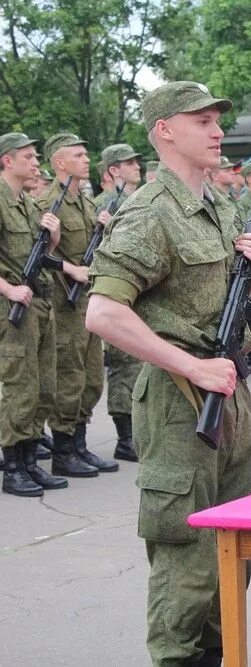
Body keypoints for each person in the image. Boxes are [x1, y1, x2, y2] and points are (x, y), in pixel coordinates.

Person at [85, 80, 251, 666]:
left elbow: (223, 299)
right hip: (178, 400)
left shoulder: (220, 203)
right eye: (201, 120)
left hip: (228, 392)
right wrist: (190, 363)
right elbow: (103, 312)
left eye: (218, 118)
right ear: (164, 130)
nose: (218, 130)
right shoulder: (149, 212)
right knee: (187, 554)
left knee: (234, 549)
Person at [37, 133, 117, 476]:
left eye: (86, 154)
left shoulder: (83, 202)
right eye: (78, 155)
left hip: (87, 300)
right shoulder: (48, 201)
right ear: (59, 163)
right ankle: (64, 449)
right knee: (69, 376)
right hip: (63, 302)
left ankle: (80, 445)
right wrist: (70, 268)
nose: (86, 159)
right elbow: (38, 254)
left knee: (91, 377)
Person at [0, 132, 72, 496]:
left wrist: (54, 237)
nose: (35, 163)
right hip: (12, 306)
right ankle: (12, 467)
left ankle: (30, 462)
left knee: (44, 385)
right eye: (27, 157)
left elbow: (41, 253)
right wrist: (8, 288)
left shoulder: (28, 204)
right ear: (6, 161)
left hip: (40, 303)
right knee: (19, 386)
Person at [96, 142, 145, 463]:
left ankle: (137, 433)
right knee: (124, 364)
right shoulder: (102, 204)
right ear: (114, 170)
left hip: (140, 291)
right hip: (116, 290)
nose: (136, 166)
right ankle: (125, 438)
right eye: (129, 163)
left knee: (139, 364)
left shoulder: (134, 201)